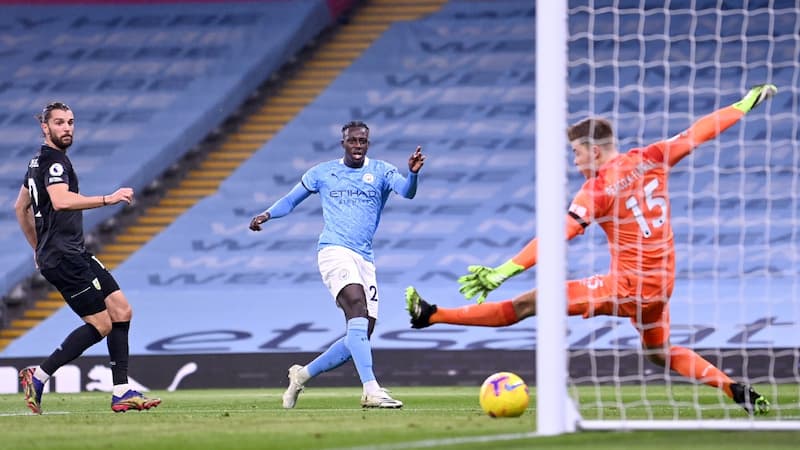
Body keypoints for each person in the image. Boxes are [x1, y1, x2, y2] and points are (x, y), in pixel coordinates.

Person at [405, 84, 777, 416]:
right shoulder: (652, 157)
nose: (575, 161)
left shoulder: (598, 190)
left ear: (594, 150)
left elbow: (558, 235)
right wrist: (742, 106)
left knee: (528, 303)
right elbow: (698, 133)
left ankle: (431, 316)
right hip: (662, 286)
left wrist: (505, 270)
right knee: (659, 353)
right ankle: (733, 387)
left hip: (628, 287)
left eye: (576, 153)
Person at [249, 120, 425, 409]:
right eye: (353, 141)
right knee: (356, 307)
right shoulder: (323, 173)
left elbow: (407, 192)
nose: (358, 146)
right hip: (333, 251)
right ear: (343, 143)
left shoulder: (381, 171)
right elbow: (291, 200)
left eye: (363, 142)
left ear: (368, 144)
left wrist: (413, 174)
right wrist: (267, 215)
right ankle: (371, 389)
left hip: (364, 258)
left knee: (360, 335)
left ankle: (301, 375)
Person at [14, 101, 161, 414]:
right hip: (64, 257)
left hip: (73, 252)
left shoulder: (35, 163)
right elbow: (61, 200)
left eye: (70, 122)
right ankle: (38, 376)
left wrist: (36, 248)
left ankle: (121, 391)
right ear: (45, 127)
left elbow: (20, 208)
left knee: (122, 310)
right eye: (59, 123)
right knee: (102, 325)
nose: (67, 128)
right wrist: (110, 198)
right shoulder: (53, 163)